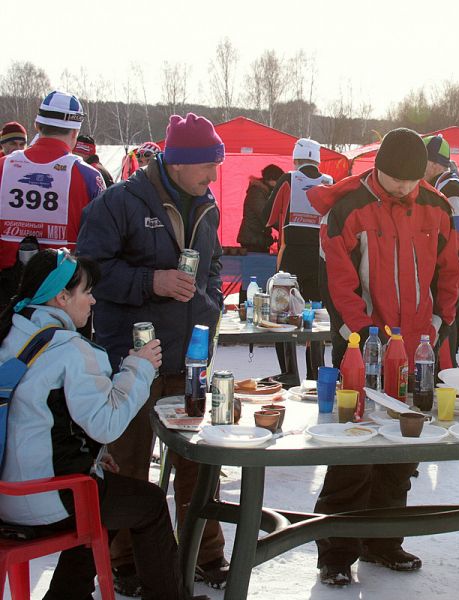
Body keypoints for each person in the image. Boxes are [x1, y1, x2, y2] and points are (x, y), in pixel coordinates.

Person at [0, 249, 210, 600]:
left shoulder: (11, 333)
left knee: (105, 495)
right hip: (45, 499)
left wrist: (92, 458)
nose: (93, 300)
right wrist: (140, 368)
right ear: (61, 297)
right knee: (150, 503)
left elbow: (36, 420)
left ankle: (69, 593)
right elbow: (107, 423)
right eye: (86, 291)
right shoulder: (68, 349)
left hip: (8, 493)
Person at [76, 113, 228, 595]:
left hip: (189, 356)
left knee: (198, 461)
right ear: (178, 162)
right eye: (207, 164)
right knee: (130, 460)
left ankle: (205, 554)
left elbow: (214, 264)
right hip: (131, 357)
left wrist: (211, 305)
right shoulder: (118, 202)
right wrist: (152, 281)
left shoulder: (207, 206)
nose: (214, 175)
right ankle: (125, 562)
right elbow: (90, 272)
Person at [307, 128, 459, 586]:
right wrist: (363, 334)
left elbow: (451, 271)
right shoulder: (347, 209)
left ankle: (384, 540)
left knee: (403, 450)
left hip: (418, 350)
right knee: (355, 448)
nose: (400, 190)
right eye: (393, 181)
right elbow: (338, 283)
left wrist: (441, 323)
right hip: (362, 348)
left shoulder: (437, 207)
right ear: (377, 170)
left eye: (408, 183)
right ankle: (335, 552)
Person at [0, 91, 105, 310]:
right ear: (75, 132)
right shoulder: (89, 176)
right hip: (65, 295)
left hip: (6, 292)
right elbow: (101, 242)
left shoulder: (3, 166)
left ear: (37, 125)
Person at [265, 138, 333, 378]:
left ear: (296, 159)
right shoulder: (329, 182)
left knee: (282, 315)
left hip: (290, 259)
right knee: (314, 317)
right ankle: (315, 372)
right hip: (320, 259)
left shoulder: (288, 179)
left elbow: (269, 215)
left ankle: (289, 372)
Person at [422, 135, 459, 366]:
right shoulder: (447, 184)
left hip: (450, 277)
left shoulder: (451, 189)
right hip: (453, 275)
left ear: (434, 163)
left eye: (421, 161)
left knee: (441, 343)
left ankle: (444, 387)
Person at [237, 163, 283, 253]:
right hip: (252, 240)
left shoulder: (264, 192)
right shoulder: (257, 192)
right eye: (278, 181)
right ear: (270, 179)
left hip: (258, 239)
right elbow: (266, 215)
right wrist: (284, 228)